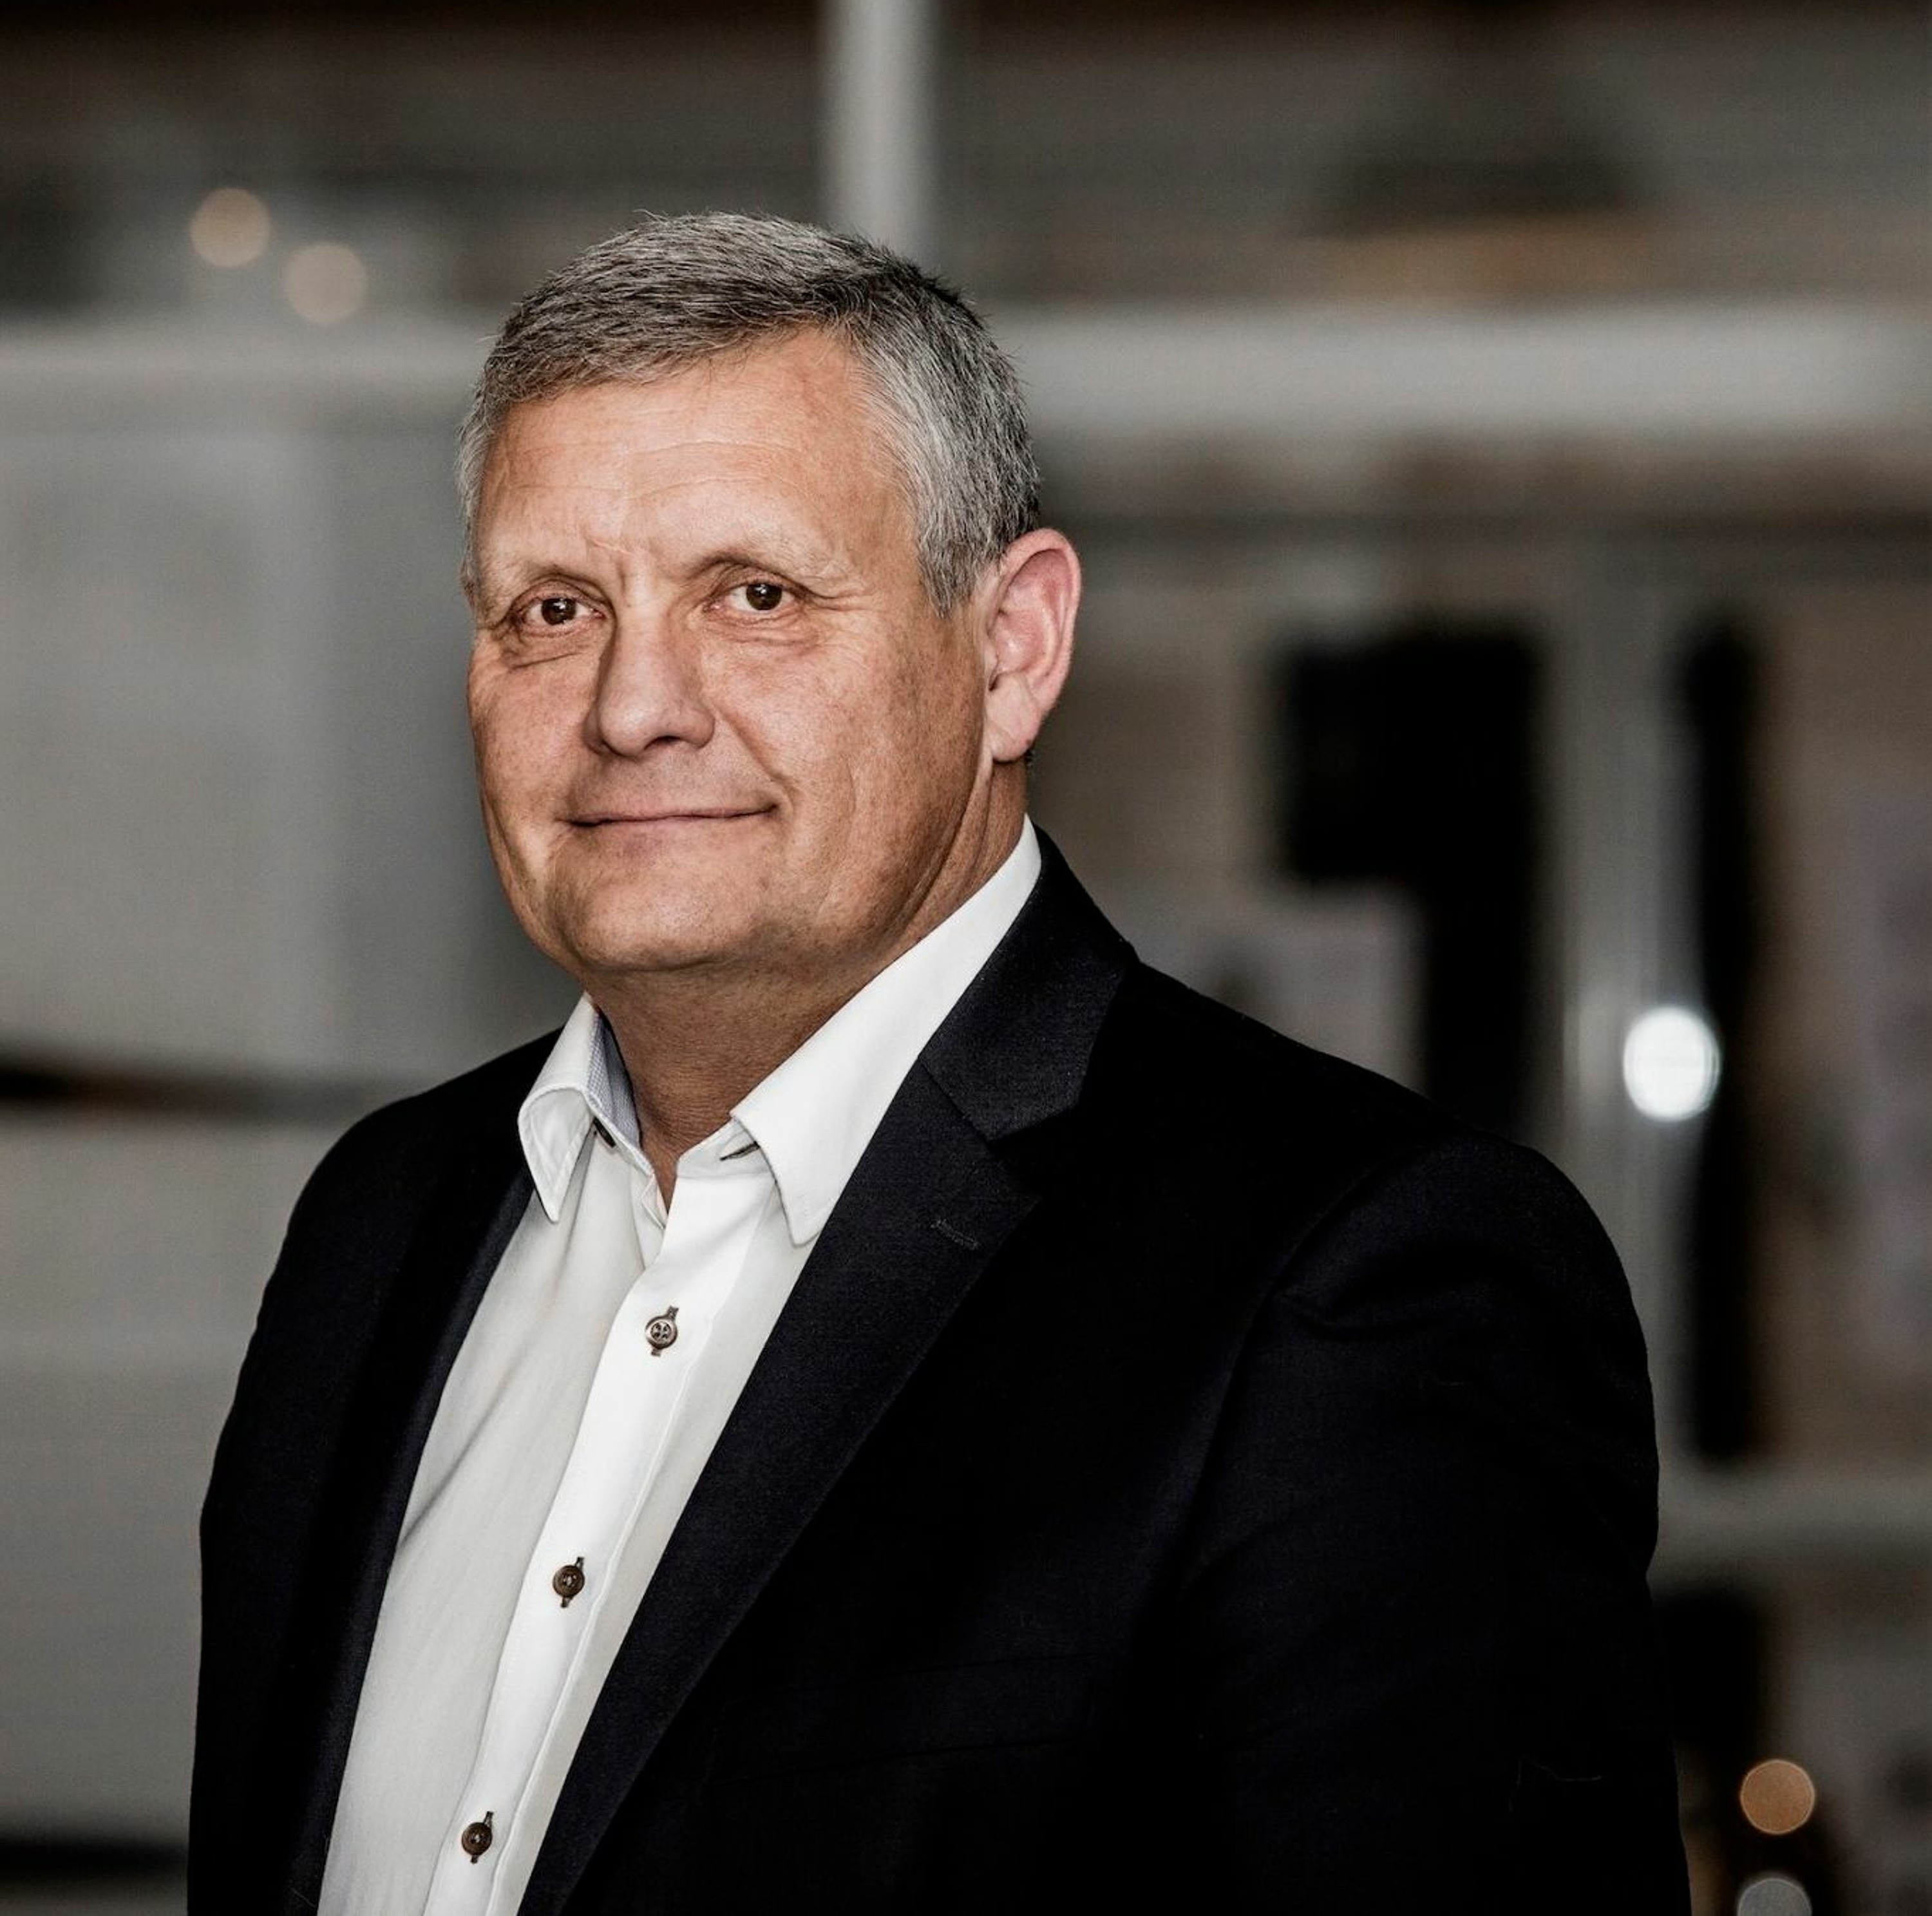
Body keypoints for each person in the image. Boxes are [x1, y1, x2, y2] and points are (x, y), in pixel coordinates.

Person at [191, 213, 1688, 1914]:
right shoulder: (378, 1227)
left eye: (754, 595)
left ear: (1012, 648)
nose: (630, 706)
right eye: (554, 608)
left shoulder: (1354, 1284)